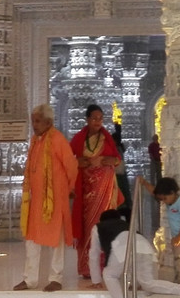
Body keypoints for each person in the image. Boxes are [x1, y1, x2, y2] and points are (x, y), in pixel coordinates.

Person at [16, 104, 78, 292]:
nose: (34, 125)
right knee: (32, 240)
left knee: (56, 240)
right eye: (33, 121)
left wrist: (69, 188)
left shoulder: (58, 140)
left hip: (55, 200)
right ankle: (29, 280)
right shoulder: (35, 140)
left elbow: (72, 166)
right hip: (36, 201)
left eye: (37, 121)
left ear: (48, 122)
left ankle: (56, 279)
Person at [87, 210, 180, 298]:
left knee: (109, 275)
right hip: (145, 246)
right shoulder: (126, 225)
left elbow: (94, 254)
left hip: (123, 247)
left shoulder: (98, 227)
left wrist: (96, 280)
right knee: (147, 283)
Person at [71, 104, 124, 279]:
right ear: (87, 119)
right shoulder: (79, 139)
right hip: (86, 190)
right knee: (88, 225)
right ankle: (86, 267)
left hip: (104, 189)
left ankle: (106, 264)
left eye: (100, 119)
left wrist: (110, 160)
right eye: (94, 118)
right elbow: (69, 159)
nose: (98, 122)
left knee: (104, 224)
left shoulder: (107, 138)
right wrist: (78, 162)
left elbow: (116, 159)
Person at [138, 176, 180, 283]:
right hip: (177, 236)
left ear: (172, 193)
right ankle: (179, 282)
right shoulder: (170, 201)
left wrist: (179, 237)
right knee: (177, 260)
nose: (164, 202)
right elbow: (155, 192)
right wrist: (144, 182)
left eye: (165, 199)